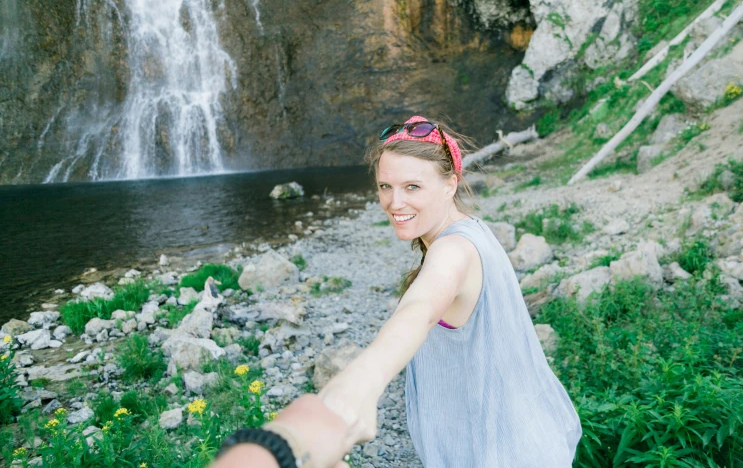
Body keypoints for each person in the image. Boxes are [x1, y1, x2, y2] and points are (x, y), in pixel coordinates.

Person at [213, 115, 582, 468]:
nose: (394, 203)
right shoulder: (471, 229)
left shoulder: (452, 251)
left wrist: (358, 385)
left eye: (412, 187)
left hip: (503, 454)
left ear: (450, 183)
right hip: (522, 438)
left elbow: (417, 312)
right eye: (385, 186)